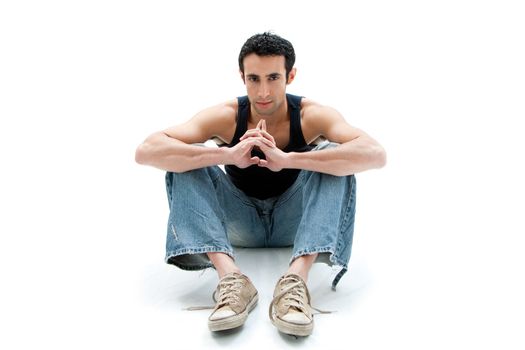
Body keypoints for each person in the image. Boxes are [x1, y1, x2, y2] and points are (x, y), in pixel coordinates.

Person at [135, 32, 386, 337]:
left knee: (334, 155)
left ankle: (295, 280)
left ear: (290, 76)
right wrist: (226, 154)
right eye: (253, 78)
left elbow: (375, 154)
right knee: (185, 160)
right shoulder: (226, 116)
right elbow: (146, 151)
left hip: (295, 224)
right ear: (242, 77)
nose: (263, 91)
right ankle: (231, 280)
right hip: (239, 223)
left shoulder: (311, 115)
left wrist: (289, 159)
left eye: (273, 77)